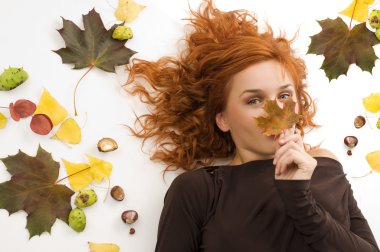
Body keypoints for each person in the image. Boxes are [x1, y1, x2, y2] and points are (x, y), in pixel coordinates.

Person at [123, 0, 380, 251]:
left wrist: (299, 199)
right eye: (254, 100)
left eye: (284, 96)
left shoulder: (324, 165)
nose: (275, 110)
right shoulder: (199, 190)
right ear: (222, 118)